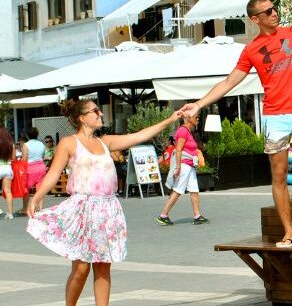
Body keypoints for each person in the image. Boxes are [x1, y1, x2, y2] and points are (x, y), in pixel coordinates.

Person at [177, 0, 292, 248]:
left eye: (274, 9)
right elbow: (229, 82)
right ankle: (289, 233)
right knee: (279, 175)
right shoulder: (251, 50)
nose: (274, 13)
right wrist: (199, 104)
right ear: (255, 19)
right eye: (268, 11)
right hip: (276, 118)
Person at [26, 99, 179, 306]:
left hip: (108, 209)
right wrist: (36, 197)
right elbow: (53, 174)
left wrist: (170, 119)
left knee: (103, 266)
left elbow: (139, 136)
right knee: (81, 268)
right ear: (82, 118)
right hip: (83, 209)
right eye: (95, 111)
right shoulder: (69, 143)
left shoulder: (105, 142)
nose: (100, 114)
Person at [156, 113, 209, 226]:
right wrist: (178, 167)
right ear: (188, 118)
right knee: (178, 190)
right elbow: (178, 149)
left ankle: (197, 216)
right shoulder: (183, 131)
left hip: (190, 166)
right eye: (196, 117)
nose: (198, 119)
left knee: (194, 190)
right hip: (184, 166)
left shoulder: (188, 131)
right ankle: (163, 215)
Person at [21, 127, 48, 217]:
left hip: (30, 168)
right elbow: (43, 156)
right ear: (37, 134)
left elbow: (24, 159)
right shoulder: (42, 144)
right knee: (40, 188)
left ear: (27, 135)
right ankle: (40, 208)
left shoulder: (26, 145)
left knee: (26, 189)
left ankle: (25, 208)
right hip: (41, 167)